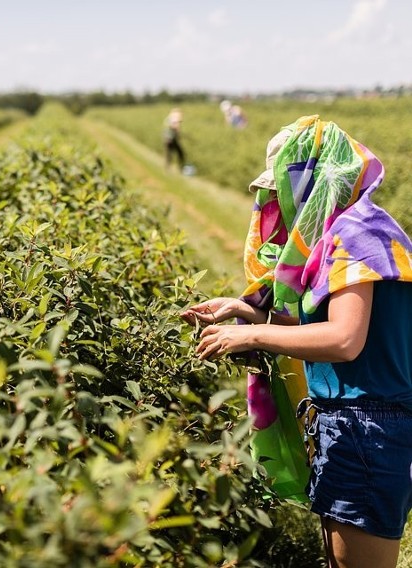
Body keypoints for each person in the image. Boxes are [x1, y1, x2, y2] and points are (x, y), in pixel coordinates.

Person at [181, 115, 412, 568]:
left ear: (308, 180)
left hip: (366, 427)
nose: (277, 205)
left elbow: (345, 340)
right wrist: (247, 311)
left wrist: (251, 334)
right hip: (360, 422)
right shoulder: (348, 231)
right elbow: (327, 333)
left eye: (282, 188)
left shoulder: (355, 233)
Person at [162, 108, 186, 172]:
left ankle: (167, 167)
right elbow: (175, 127)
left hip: (167, 138)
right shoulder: (175, 118)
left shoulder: (169, 118)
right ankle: (180, 168)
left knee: (169, 153)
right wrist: (178, 133)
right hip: (171, 139)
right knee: (180, 153)